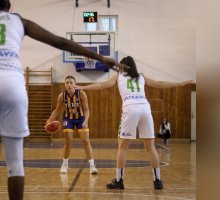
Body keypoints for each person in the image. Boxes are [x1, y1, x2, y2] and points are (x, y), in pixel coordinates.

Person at [0, 0, 122, 199]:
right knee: (15, 161)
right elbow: (61, 42)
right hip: (13, 84)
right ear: (9, 4)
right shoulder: (20, 21)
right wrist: (101, 58)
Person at [76, 56, 192, 190]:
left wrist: (81, 87)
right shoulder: (141, 76)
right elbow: (160, 84)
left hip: (130, 108)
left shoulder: (119, 76)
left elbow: (102, 85)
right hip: (145, 108)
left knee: (123, 147)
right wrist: (181, 83)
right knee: (150, 147)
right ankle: (158, 180)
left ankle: (119, 181)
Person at [46, 75, 98, 174]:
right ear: (65, 85)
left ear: (75, 84)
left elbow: (86, 110)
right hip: (68, 119)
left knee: (86, 141)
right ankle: (65, 164)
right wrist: (49, 120)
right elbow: (57, 110)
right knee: (68, 141)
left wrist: (86, 120)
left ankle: (92, 166)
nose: (69, 84)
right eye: (67, 82)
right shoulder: (62, 96)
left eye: (71, 82)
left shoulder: (81, 93)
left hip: (81, 118)